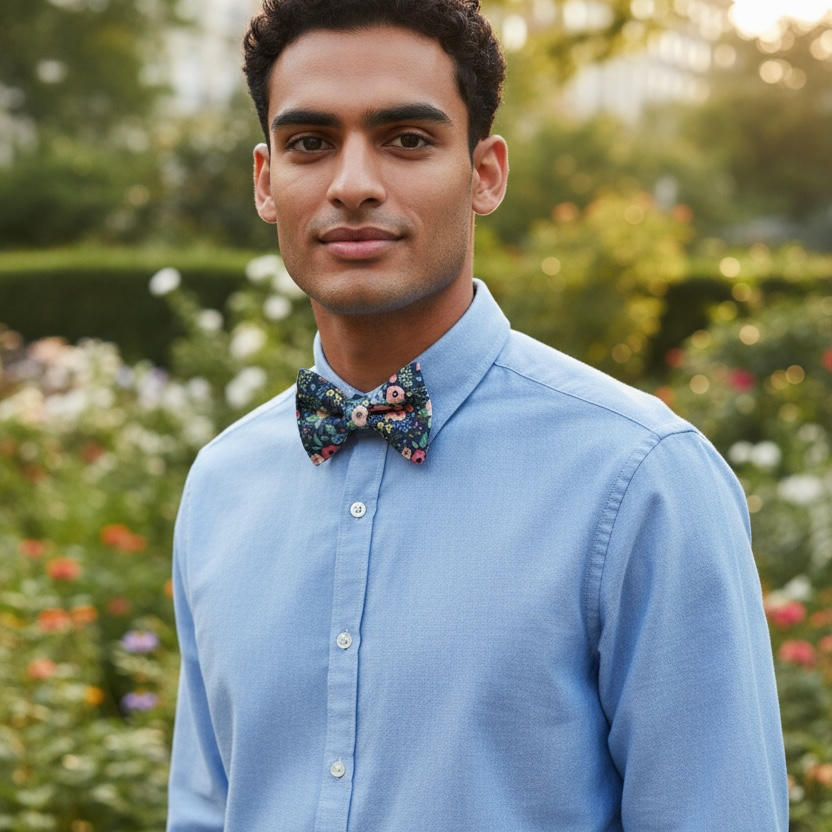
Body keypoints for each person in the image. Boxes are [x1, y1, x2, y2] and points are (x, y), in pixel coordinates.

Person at [166, 0, 788, 829]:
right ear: (265, 181)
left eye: (407, 139)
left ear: (485, 172)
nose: (352, 184)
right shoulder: (221, 484)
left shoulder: (641, 478)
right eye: (310, 143)